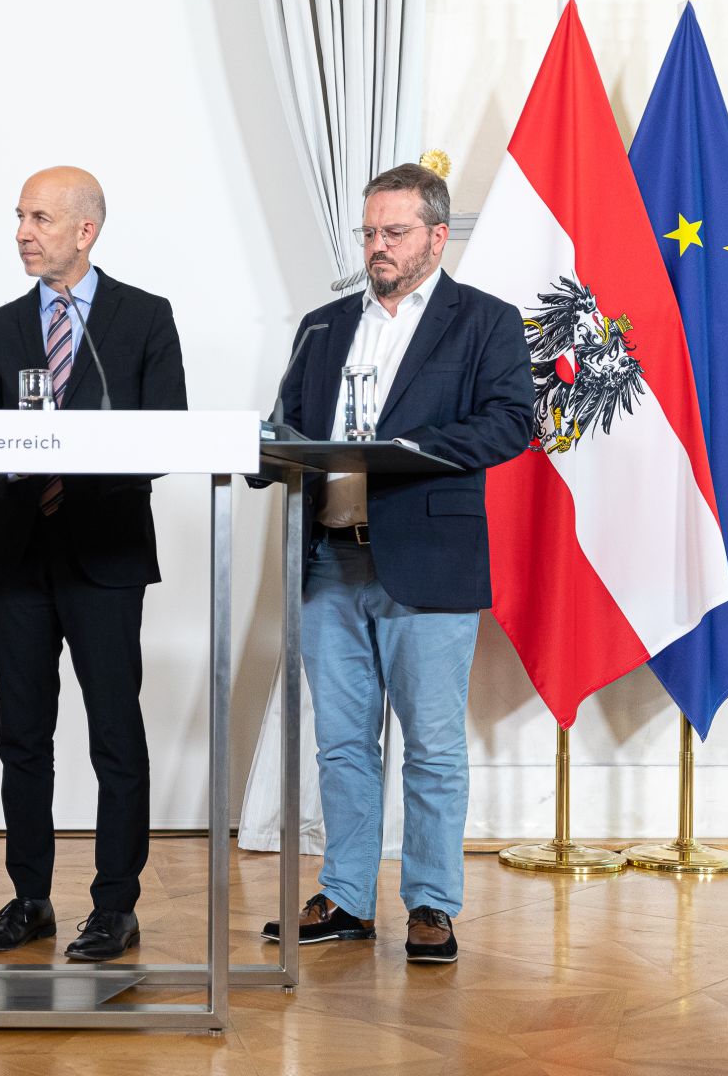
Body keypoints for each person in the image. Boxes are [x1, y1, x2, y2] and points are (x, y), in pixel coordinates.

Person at [262, 162, 531, 964]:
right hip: (329, 564)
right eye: (370, 232)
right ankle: (346, 896)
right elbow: (287, 421)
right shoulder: (322, 326)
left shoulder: (484, 321)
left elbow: (509, 422)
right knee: (342, 745)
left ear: (437, 237)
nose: (377, 245)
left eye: (395, 232)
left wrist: (408, 450)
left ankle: (431, 902)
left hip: (429, 562)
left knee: (434, 748)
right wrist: (262, 451)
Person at [0, 167, 187, 962]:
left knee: (114, 734)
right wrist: (20, 456)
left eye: (40, 218)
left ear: (85, 231)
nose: (23, 232)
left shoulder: (145, 317)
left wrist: (75, 448)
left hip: (106, 552)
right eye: (20, 217)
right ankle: (30, 898)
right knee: (22, 736)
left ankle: (115, 905)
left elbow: (167, 435)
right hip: (16, 555)